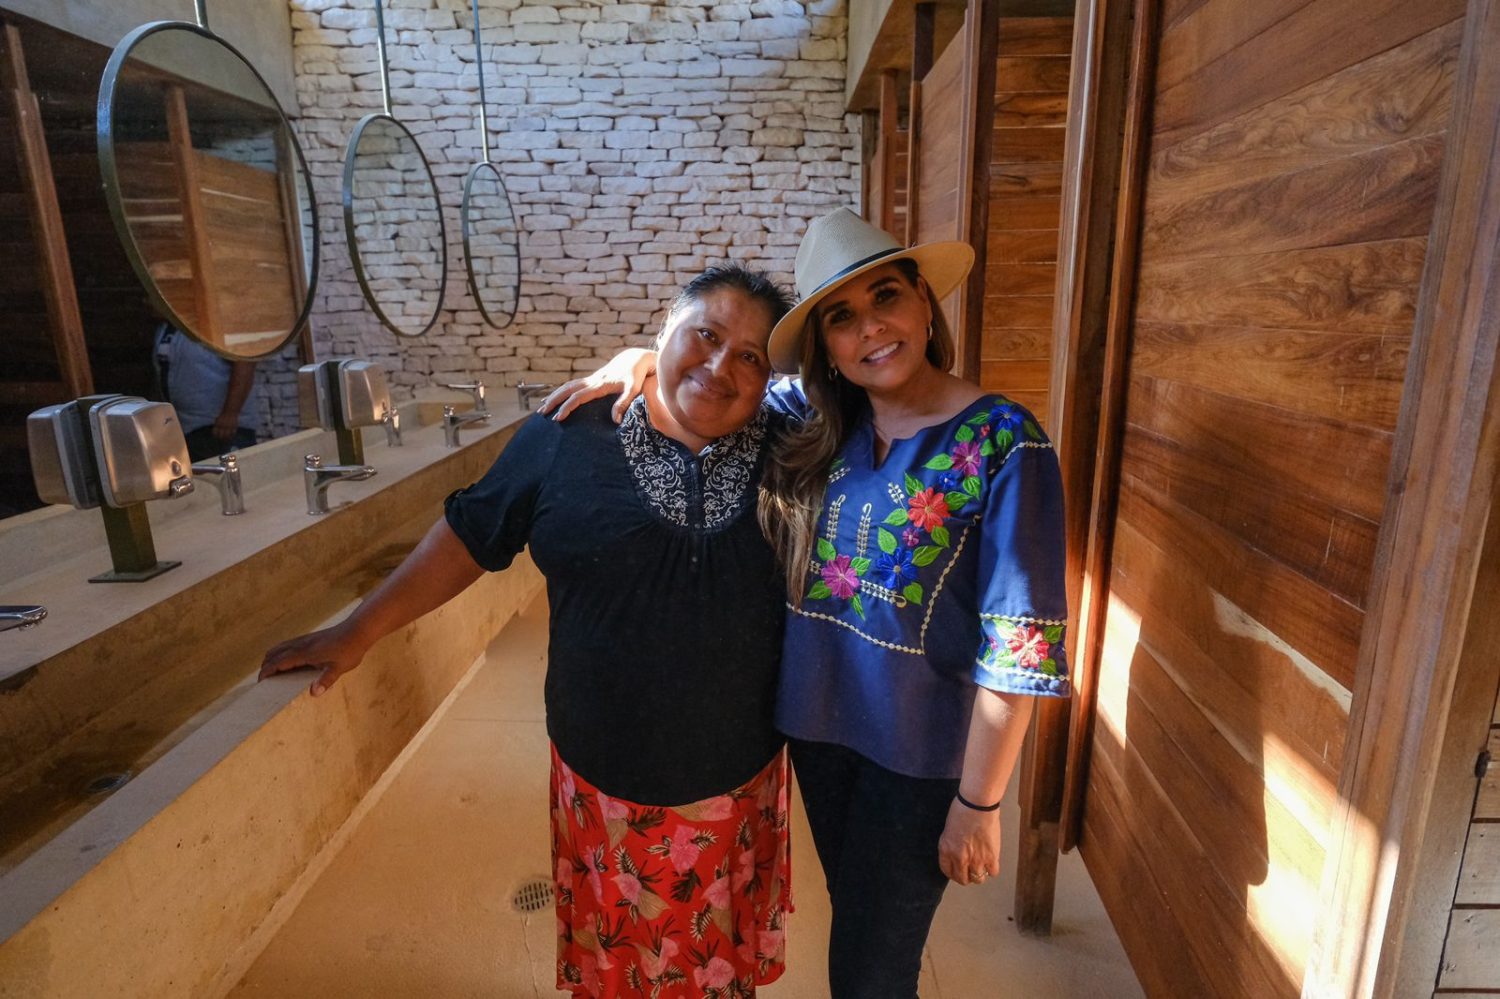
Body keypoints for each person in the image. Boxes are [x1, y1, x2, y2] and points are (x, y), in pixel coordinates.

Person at [545, 208, 1071, 998]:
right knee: (857, 922)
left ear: (925, 304)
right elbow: (712, 383)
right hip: (817, 737)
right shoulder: (814, 420)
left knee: (870, 972)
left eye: (886, 297)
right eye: (842, 317)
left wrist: (980, 801)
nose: (871, 329)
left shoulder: (1004, 441)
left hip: (917, 756)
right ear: (827, 344)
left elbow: (1019, 641)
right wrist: (641, 359)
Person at [259, 264, 798, 998]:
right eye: (705, 334)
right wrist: (360, 628)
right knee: (624, 969)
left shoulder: (788, 447)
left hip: (735, 782)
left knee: (714, 970)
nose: (720, 366)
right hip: (605, 782)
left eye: (749, 356)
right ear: (664, 330)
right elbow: (471, 533)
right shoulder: (570, 432)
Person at [152, 320, 261, 462]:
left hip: (221, 427)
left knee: (233, 474)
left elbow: (245, 364)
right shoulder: (168, 328)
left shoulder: (219, 322)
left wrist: (230, 413)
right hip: (185, 427)